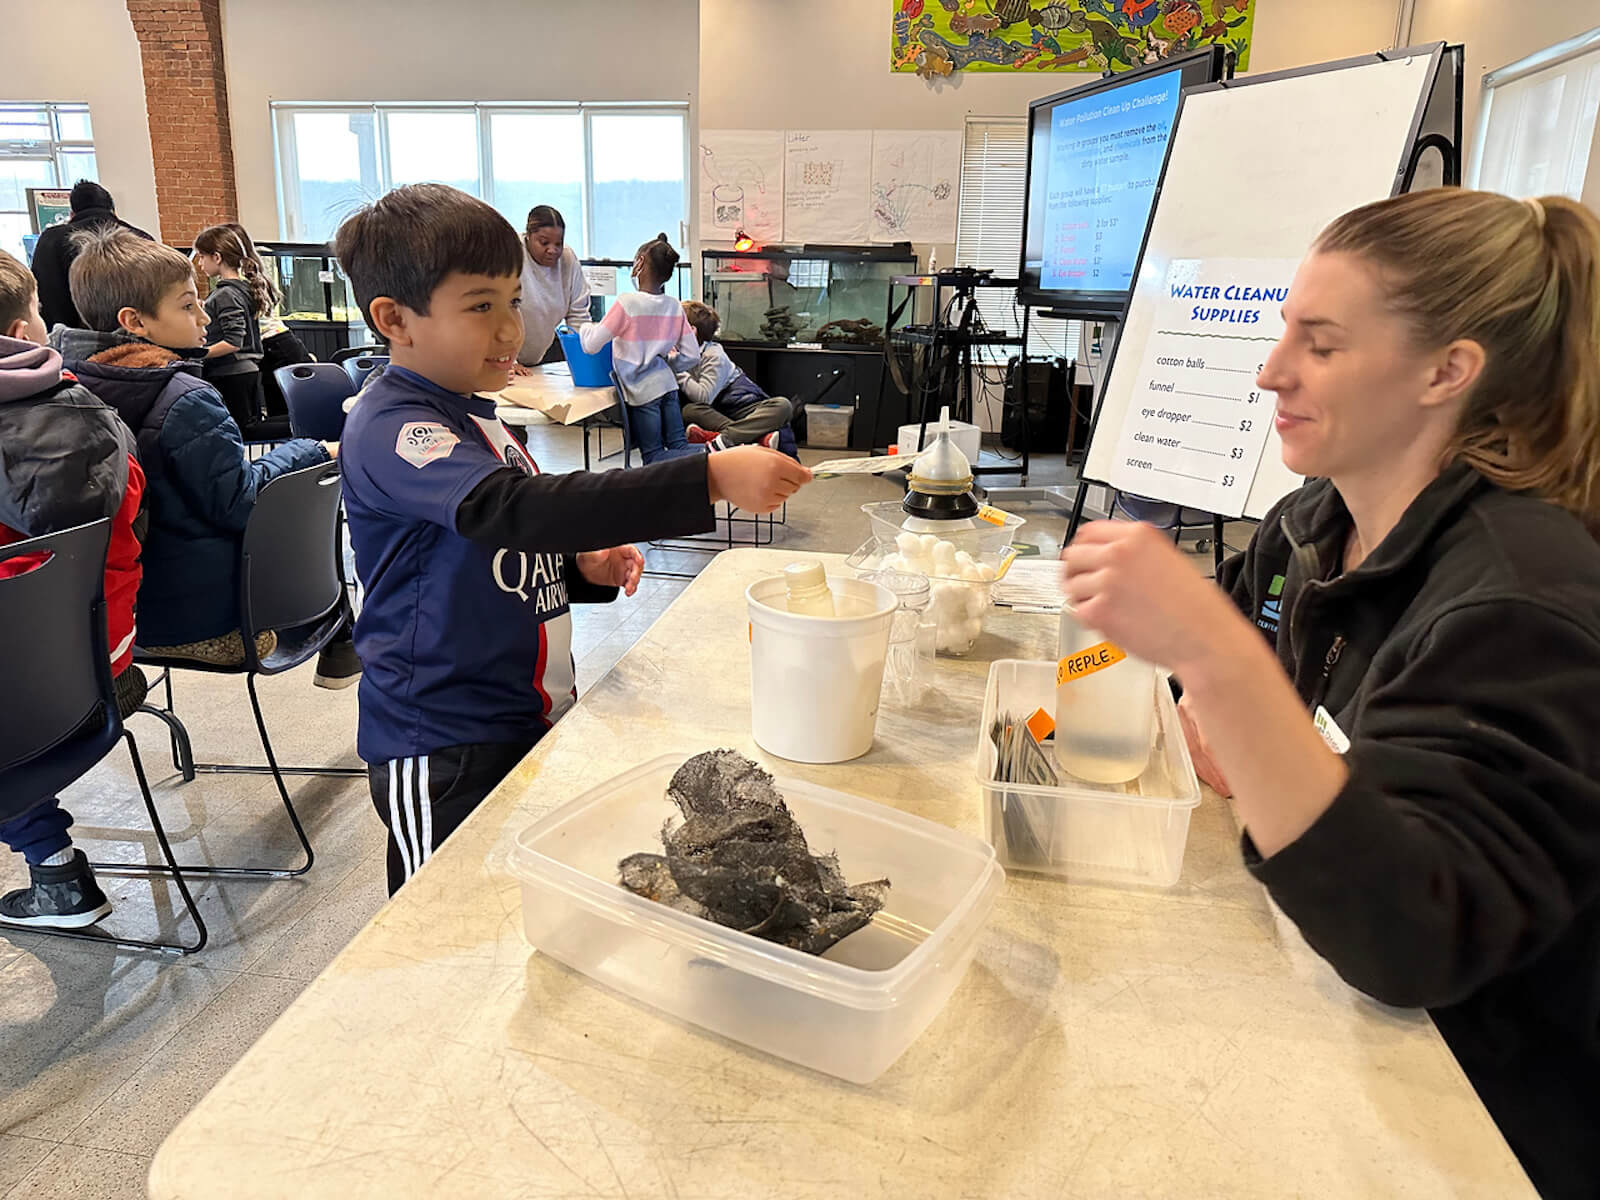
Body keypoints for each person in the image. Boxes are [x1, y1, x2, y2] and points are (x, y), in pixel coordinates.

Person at [1059, 188, 1600, 1199]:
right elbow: (1169, 669)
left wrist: (1224, 669)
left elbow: (1412, 940)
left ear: (1447, 371)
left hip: (1475, 1124)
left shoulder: (1520, 605)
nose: (1271, 371)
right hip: (1310, 1001)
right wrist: (1046, 704)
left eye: (1321, 343)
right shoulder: (1312, 523)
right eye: (1282, 334)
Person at [331, 184, 810, 894]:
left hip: (528, 715)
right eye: (480, 307)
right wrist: (706, 478)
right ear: (394, 319)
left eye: (514, 301)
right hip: (442, 742)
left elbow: (493, 543)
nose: (507, 330)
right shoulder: (396, 426)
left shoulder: (477, 416)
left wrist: (578, 564)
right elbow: (510, 510)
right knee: (444, 914)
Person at [49, 228, 355, 684]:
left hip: (105, 615)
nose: (204, 320)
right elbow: (240, 503)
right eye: (188, 305)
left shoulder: (64, 389)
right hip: (195, 619)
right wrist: (311, 450)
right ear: (134, 321)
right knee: (314, 503)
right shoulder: (185, 398)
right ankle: (344, 648)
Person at [0, 249, 145, 929]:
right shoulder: (98, 412)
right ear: (26, 333)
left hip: (27, 707)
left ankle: (55, 871)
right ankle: (53, 871)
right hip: (109, 672)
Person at [577, 234, 701, 464]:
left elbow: (592, 345)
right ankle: (726, 452)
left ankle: (717, 454)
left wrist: (583, 326)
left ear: (640, 262)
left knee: (654, 456)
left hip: (642, 393)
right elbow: (692, 355)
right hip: (668, 388)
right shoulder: (674, 305)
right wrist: (668, 363)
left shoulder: (627, 303)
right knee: (678, 447)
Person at [28, 181, 153, 331]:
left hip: (68, 343)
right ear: (113, 210)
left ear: (72, 213)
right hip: (140, 337)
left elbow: (42, 296)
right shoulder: (140, 237)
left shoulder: (50, 241)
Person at [678, 299, 795, 454]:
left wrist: (676, 370)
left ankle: (727, 439)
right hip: (718, 413)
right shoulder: (678, 351)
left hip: (741, 406)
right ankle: (754, 439)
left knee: (782, 406)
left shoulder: (713, 355)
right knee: (689, 411)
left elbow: (703, 396)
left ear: (691, 331)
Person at [193, 224, 271, 429]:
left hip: (231, 373)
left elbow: (233, 341)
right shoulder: (240, 290)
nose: (199, 263)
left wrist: (196, 353)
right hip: (242, 372)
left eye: (202, 257)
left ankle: (300, 428)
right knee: (247, 429)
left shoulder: (226, 293)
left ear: (217, 257)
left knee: (244, 432)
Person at [510, 205, 591, 373]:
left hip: (537, 357)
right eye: (544, 242)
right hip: (504, 359)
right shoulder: (510, 253)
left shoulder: (568, 259)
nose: (552, 250)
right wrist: (508, 361)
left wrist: (582, 360)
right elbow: (496, 314)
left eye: (558, 243)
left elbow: (578, 315)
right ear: (528, 236)